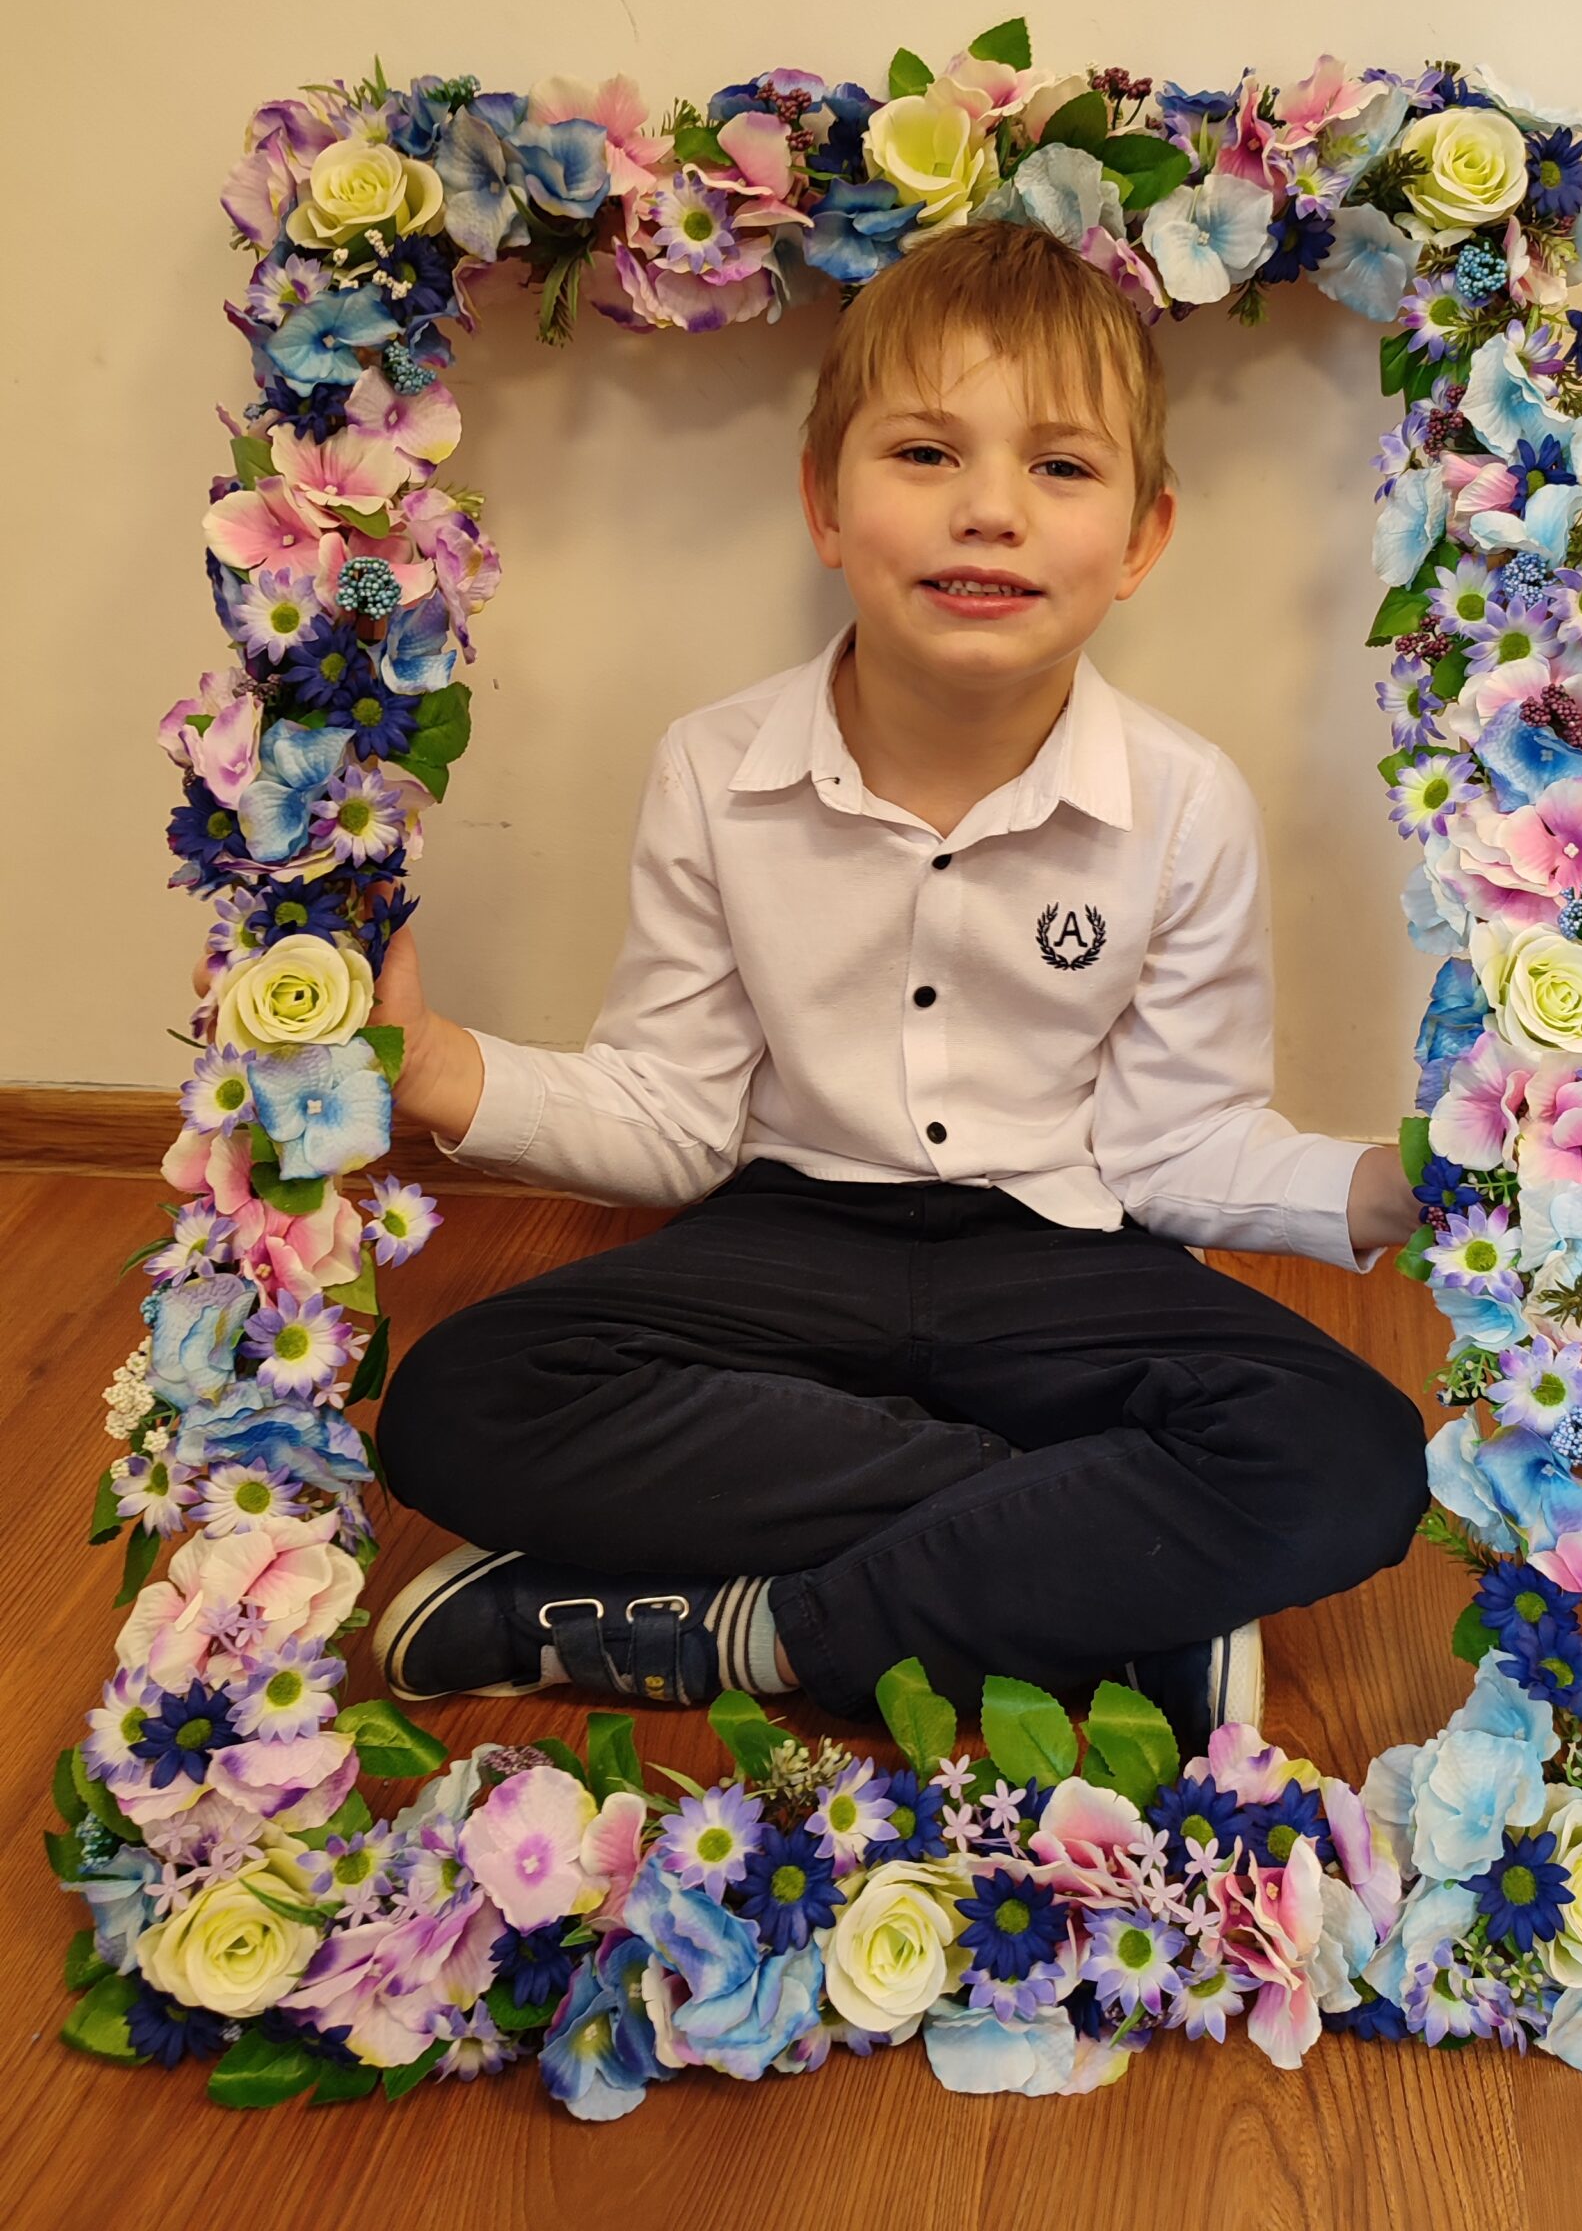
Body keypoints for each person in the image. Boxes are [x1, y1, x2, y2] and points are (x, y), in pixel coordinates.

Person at [356, 219, 1431, 1763]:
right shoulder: (716, 768)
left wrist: (1390, 1185)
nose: (989, 508)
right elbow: (672, 1114)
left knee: (1350, 1453)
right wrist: (438, 1069)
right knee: (462, 1401)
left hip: (1060, 1255)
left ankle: (747, 1631)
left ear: (1142, 539)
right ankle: (1096, 1577)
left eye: (1061, 467)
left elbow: (1177, 1144)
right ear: (824, 501)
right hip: (788, 1240)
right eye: (926, 453)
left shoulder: (1186, 802)